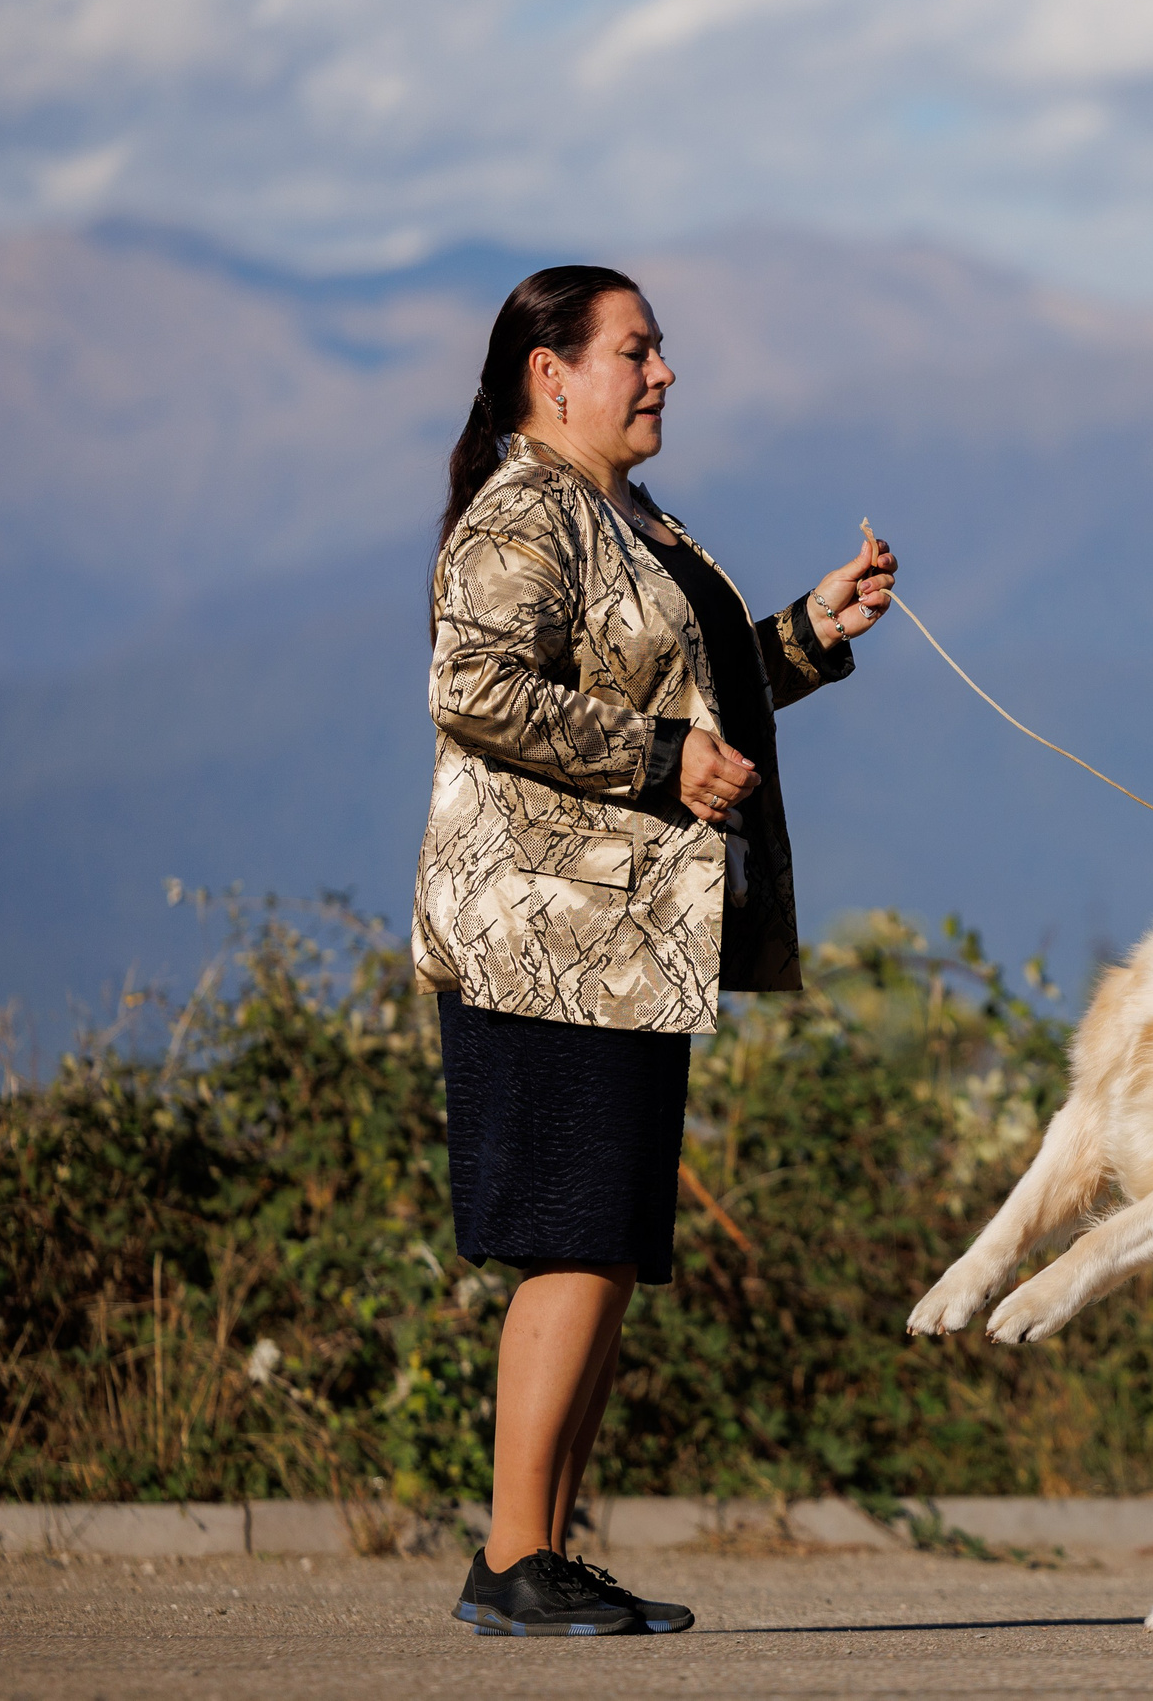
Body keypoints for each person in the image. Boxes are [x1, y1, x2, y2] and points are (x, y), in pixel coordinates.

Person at [412, 265, 894, 1636]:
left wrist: (808, 631)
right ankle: (513, 1560)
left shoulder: (618, 514)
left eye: (661, 349)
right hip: (543, 939)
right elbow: (477, 688)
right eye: (637, 350)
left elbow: (693, 693)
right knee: (572, 1239)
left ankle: (540, 1552)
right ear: (548, 372)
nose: (664, 371)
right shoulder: (524, 513)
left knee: (607, 1244)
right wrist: (661, 758)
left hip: (624, 947)